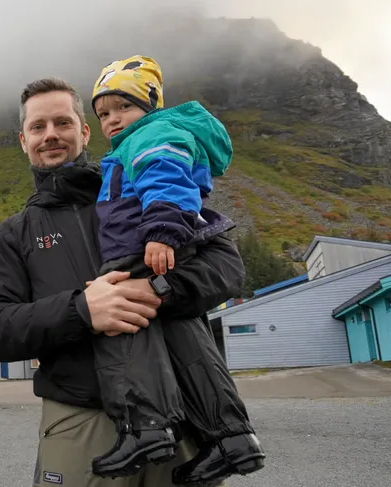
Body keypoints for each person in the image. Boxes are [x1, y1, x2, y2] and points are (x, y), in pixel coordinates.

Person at [0, 77, 247, 487]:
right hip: (79, 417)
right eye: (38, 126)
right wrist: (83, 311)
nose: (51, 135)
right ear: (23, 140)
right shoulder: (12, 235)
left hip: (181, 414)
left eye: (63, 123)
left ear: (84, 131)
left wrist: (155, 291)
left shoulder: (145, 183)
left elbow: (226, 265)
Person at [87, 55, 264, 484]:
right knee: (188, 338)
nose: (112, 120)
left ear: (150, 106)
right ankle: (231, 437)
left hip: (142, 247)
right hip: (152, 245)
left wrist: (162, 232)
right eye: (104, 113)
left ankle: (147, 428)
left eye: (122, 108)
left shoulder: (152, 134)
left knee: (119, 326)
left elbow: (165, 177)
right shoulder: (142, 136)